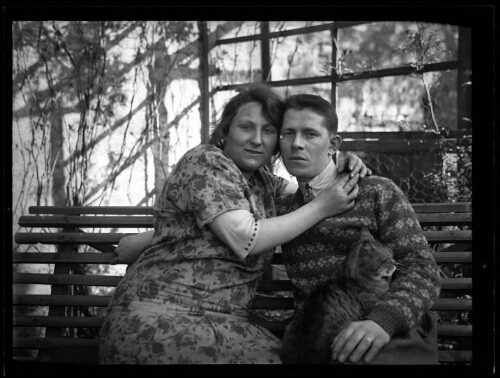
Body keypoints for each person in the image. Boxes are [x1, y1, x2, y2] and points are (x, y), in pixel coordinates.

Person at [98, 84, 370, 364]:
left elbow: (310, 188)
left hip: (218, 324)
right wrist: (321, 207)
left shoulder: (263, 183)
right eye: (246, 127)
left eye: (268, 131)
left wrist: (338, 164)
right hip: (161, 316)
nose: (257, 140)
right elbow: (245, 237)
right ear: (225, 132)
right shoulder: (206, 161)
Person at [277, 94, 441, 365]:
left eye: (310, 134)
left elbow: (423, 270)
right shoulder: (281, 205)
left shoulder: (376, 191)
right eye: (288, 134)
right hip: (318, 340)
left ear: (333, 145)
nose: (296, 143)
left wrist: (381, 322)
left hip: (390, 332)